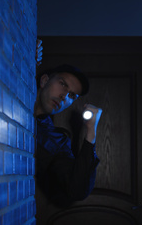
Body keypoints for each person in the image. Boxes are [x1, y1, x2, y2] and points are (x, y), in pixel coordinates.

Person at [34, 41, 103, 208]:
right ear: (44, 81)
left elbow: (77, 191)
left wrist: (90, 132)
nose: (64, 96)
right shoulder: (17, 90)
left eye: (72, 95)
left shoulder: (57, 140)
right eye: (63, 84)